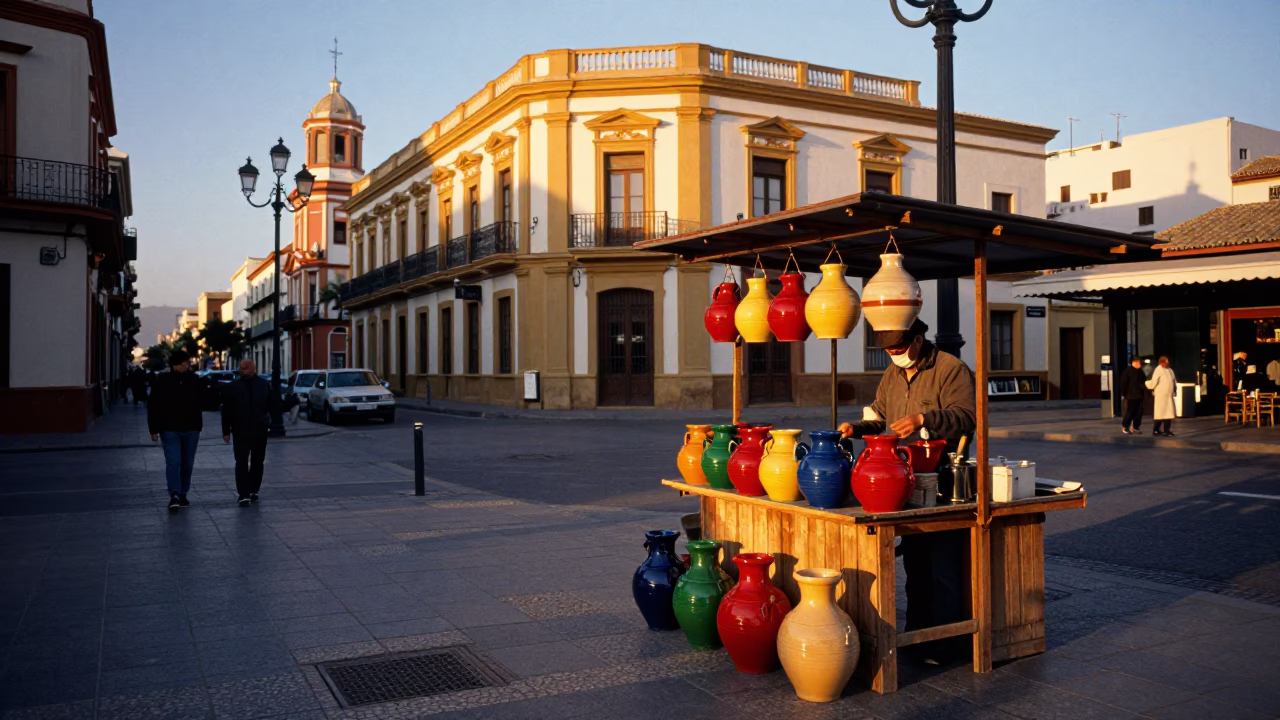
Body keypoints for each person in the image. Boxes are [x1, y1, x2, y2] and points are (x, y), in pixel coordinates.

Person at [841, 318, 976, 663]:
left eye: (899, 349)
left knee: (943, 568)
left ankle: (948, 646)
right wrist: (855, 428)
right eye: (888, 351)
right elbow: (882, 419)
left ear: (918, 340)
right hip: (904, 481)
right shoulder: (892, 374)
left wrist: (924, 420)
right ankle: (917, 639)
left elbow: (967, 416)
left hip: (943, 480)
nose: (894, 356)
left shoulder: (951, 369)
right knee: (916, 567)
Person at [147, 350, 208, 512]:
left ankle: (183, 493)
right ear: (176, 365)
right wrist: (153, 428)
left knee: (187, 464)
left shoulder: (194, 380)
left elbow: (206, 399)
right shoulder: (162, 381)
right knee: (174, 462)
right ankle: (174, 493)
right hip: (169, 429)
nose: (188, 366)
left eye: (188, 363)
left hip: (191, 429)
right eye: (185, 363)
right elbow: (153, 405)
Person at [221, 358, 280, 506]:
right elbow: (227, 410)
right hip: (240, 430)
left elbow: (272, 405)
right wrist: (226, 431)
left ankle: (254, 489)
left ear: (254, 368)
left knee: (257, 462)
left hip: (259, 429)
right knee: (241, 462)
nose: (244, 370)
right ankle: (243, 493)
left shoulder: (263, 385)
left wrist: (271, 422)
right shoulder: (234, 387)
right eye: (242, 368)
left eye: (247, 368)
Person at [1146, 355, 1177, 436]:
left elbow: (1174, 381)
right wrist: (1148, 384)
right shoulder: (1158, 369)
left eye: (1166, 361)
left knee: (1168, 414)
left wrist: (1174, 390)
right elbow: (1154, 381)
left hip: (1168, 396)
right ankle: (1156, 430)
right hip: (1161, 396)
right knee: (1160, 414)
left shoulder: (1170, 370)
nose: (1165, 363)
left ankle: (1167, 430)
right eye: (1164, 362)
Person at [1118, 357, 1148, 435]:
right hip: (1131, 395)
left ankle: (1135, 427)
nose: (1140, 364)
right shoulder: (1128, 372)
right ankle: (1125, 426)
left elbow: (1144, 382)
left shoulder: (1141, 372)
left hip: (1140, 395)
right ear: (1134, 363)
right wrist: (1125, 394)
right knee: (1130, 411)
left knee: (1139, 412)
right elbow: (1123, 384)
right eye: (1139, 362)